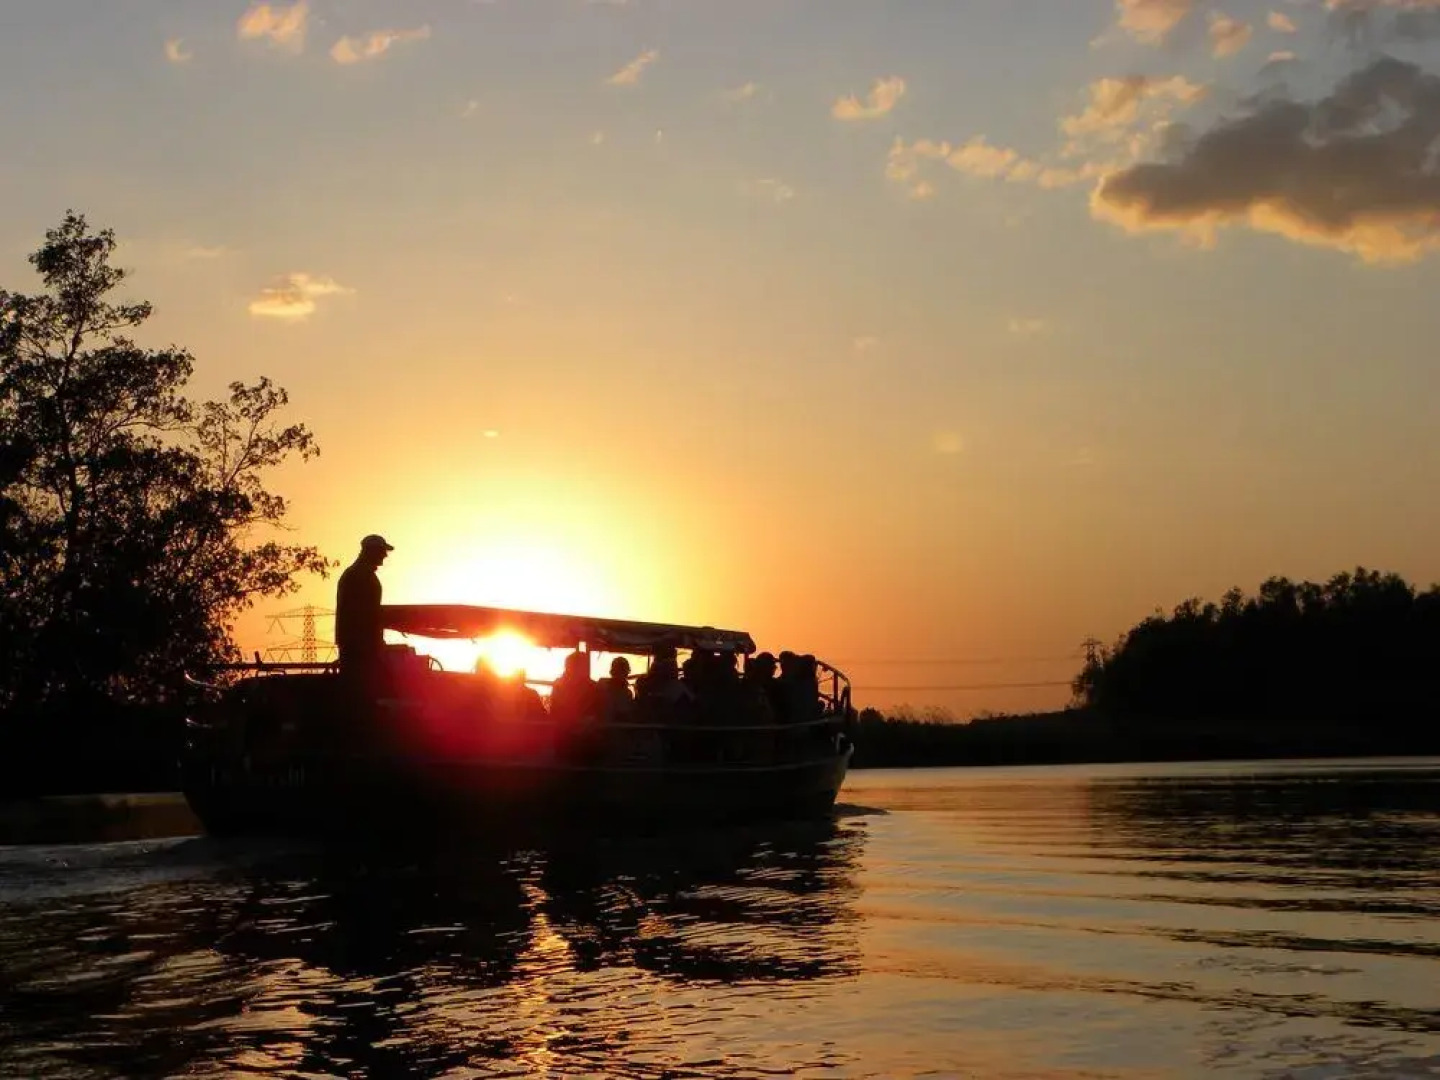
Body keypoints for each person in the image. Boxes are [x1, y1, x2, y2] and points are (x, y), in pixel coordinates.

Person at [335, 533, 393, 679]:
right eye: (382, 551)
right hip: (360, 648)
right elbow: (365, 614)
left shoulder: (357, 574)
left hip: (357, 646)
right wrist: (374, 644)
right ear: (371, 551)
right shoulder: (360, 576)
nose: (385, 555)